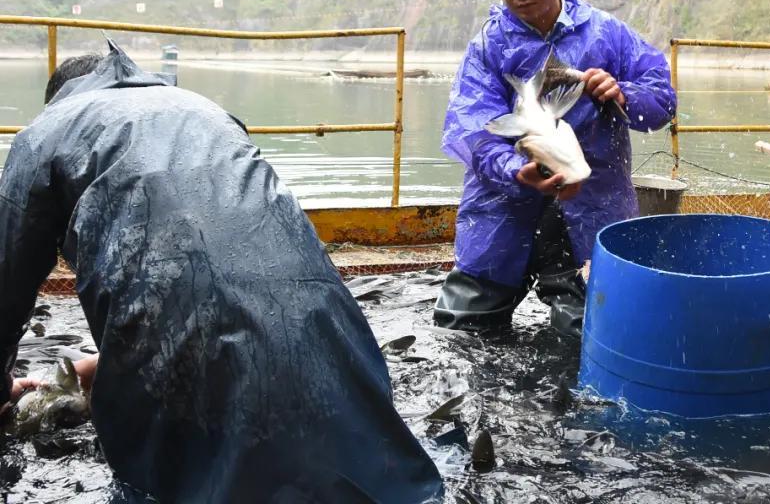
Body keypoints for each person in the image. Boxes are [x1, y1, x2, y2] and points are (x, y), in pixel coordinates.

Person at [0, 43, 444, 503]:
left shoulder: (47, 130)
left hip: (188, 384)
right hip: (331, 329)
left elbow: (5, 283)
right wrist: (111, 365)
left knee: (176, 482)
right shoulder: (203, 109)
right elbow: (224, 264)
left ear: (58, 98)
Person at [435, 0, 676, 336]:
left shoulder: (609, 34)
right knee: (461, 332)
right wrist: (516, 171)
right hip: (502, 211)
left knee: (591, 336)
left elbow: (662, 101)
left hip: (593, 205)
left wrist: (624, 93)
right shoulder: (486, 49)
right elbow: (472, 132)